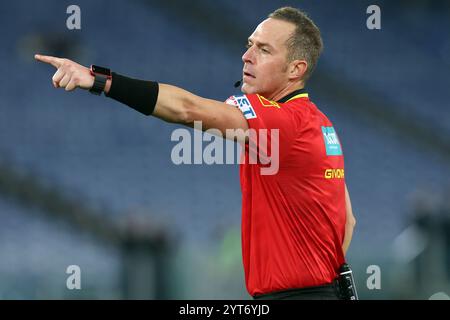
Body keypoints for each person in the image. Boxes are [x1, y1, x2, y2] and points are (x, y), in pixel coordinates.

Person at [35, 7, 356, 300]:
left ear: (295, 69)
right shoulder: (321, 126)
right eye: (250, 44)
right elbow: (347, 221)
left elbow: (186, 109)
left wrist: (99, 81)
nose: (246, 56)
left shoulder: (282, 121)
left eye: (264, 49)